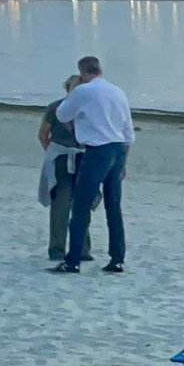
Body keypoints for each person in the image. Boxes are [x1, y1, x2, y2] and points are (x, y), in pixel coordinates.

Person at [50, 55, 134, 274]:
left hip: (97, 150)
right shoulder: (118, 91)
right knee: (113, 205)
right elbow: (128, 131)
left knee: (81, 205)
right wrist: (124, 161)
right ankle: (117, 258)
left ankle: (73, 260)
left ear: (82, 72)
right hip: (117, 148)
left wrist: (73, 93)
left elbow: (62, 114)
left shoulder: (84, 91)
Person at [38, 74, 93, 268]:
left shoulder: (89, 108)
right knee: (60, 205)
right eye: (74, 87)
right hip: (61, 158)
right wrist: (52, 152)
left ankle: (83, 249)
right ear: (67, 88)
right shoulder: (55, 107)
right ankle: (56, 249)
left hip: (82, 158)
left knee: (83, 204)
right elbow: (43, 134)